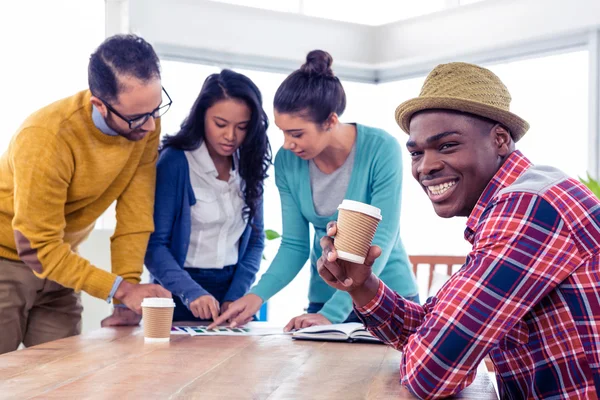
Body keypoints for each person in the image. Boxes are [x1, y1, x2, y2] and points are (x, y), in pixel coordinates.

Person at [317, 62, 600, 398]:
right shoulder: (512, 203)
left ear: (499, 140)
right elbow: (433, 330)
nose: (426, 166)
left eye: (447, 145)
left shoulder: (529, 207)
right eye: (417, 153)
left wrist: (437, 347)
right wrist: (362, 284)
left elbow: (432, 372)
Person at [211, 50, 418, 331]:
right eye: (283, 132)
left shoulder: (382, 149)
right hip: (325, 298)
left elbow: (382, 238)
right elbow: (294, 245)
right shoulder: (288, 162)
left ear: (331, 121)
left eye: (296, 134)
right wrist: (255, 296)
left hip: (387, 297)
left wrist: (333, 314)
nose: (287, 144)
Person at [0, 34, 172, 355]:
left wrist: (128, 293)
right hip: (8, 258)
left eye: (156, 109)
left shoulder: (143, 123)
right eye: (137, 117)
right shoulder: (45, 137)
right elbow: (36, 247)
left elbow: (135, 215)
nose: (149, 126)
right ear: (99, 105)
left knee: (62, 376)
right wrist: (120, 290)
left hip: (60, 260)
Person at [145, 69, 271, 322]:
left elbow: (255, 242)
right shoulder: (175, 162)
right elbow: (154, 246)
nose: (230, 136)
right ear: (202, 116)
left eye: (242, 127)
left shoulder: (249, 162)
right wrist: (191, 293)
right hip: (179, 293)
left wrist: (235, 295)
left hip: (232, 294)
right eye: (220, 124)